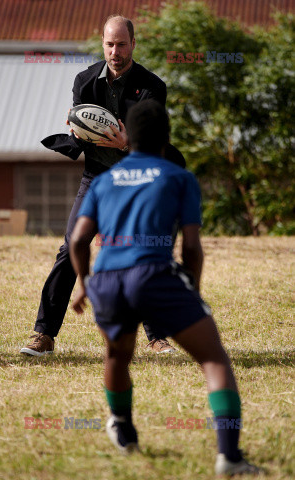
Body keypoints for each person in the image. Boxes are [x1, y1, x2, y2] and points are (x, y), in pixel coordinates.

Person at [69, 100, 260, 476]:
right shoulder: (177, 177)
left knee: (117, 356)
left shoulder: (104, 181)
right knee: (213, 358)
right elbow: (190, 245)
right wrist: (194, 290)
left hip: (107, 279)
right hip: (153, 274)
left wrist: (84, 284)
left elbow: (77, 241)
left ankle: (121, 425)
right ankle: (229, 457)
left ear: (129, 137)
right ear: (166, 138)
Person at [20, 15, 180, 356]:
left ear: (133, 44)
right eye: (109, 44)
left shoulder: (152, 88)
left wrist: (127, 143)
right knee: (70, 247)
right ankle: (43, 335)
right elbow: (82, 126)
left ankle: (156, 337)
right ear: (102, 43)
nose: (115, 51)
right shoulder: (85, 80)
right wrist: (76, 131)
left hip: (137, 179)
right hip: (97, 178)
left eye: (122, 44)